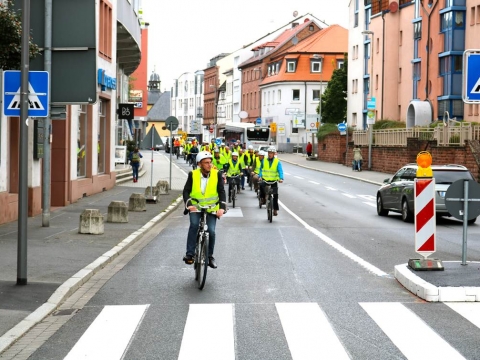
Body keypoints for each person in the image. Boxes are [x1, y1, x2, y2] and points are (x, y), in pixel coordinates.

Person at [182, 151, 226, 269]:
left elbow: (221, 192)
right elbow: (186, 191)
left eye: (210, 162)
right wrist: (189, 205)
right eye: (206, 163)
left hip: (212, 208)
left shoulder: (217, 174)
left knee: (211, 231)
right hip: (196, 207)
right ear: (199, 164)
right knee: (194, 225)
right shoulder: (193, 174)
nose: (209, 165)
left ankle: (210, 256)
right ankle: (190, 254)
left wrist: (222, 208)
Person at [259, 146, 284, 216]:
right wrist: (260, 176)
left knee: (275, 195)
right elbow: (261, 169)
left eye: (271, 153)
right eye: (269, 153)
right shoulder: (264, 161)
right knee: (261, 186)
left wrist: (281, 178)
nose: (270, 154)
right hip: (265, 180)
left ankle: (275, 210)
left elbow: (280, 171)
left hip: (273, 181)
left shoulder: (277, 162)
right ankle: (263, 199)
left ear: (274, 154)